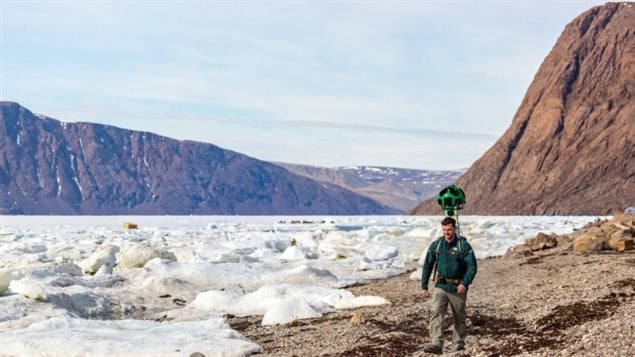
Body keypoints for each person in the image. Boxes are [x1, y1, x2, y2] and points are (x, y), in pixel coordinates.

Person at [420, 216, 477, 354]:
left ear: (454, 229)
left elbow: (472, 266)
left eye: (449, 230)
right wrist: (424, 286)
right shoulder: (437, 245)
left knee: (459, 317)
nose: (446, 232)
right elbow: (428, 265)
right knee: (435, 313)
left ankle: (458, 344)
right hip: (440, 286)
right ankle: (436, 343)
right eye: (444, 230)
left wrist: (465, 283)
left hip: (458, 288)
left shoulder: (463, 246)